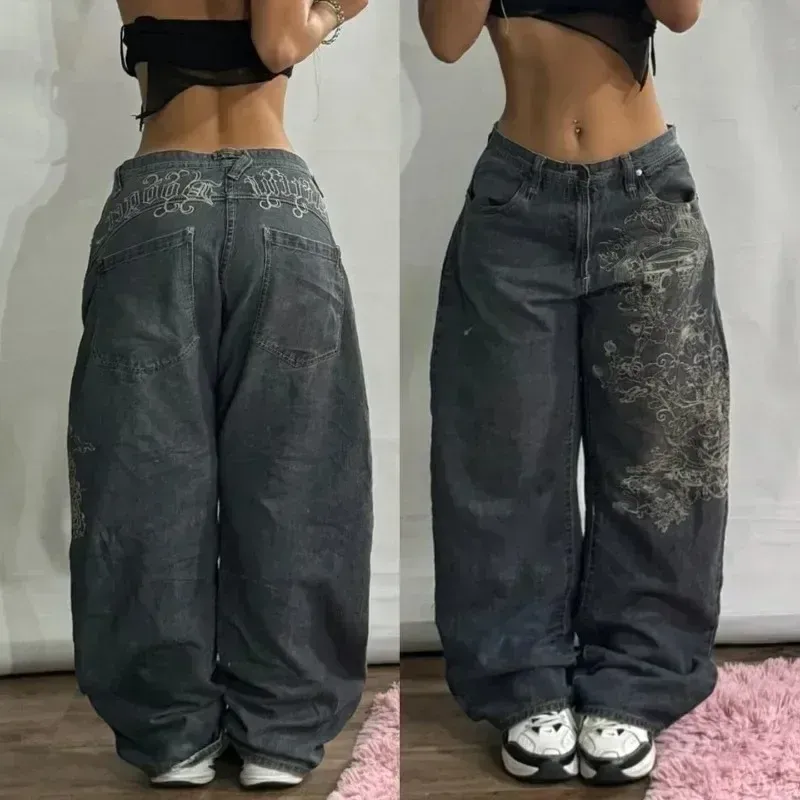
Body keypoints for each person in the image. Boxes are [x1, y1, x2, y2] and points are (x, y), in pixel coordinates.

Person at [419, 0, 728, 787]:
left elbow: (683, 13)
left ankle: (636, 683)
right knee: (504, 455)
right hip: (516, 208)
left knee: (660, 461)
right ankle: (524, 681)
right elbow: (446, 39)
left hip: (645, 196)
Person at [67, 0, 372, 789]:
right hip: (279, 205)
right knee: (299, 477)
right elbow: (276, 38)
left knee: (141, 482)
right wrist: (337, 9)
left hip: (156, 203)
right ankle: (280, 730)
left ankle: (171, 733)